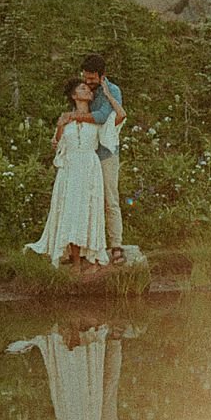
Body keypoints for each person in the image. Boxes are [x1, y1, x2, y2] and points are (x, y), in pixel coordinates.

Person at [26, 76, 108, 266]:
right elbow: (57, 145)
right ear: (73, 95)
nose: (88, 90)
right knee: (70, 211)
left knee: (88, 211)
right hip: (70, 169)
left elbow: (119, 117)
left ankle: (92, 258)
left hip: (89, 167)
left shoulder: (96, 118)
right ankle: (76, 261)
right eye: (82, 88)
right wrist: (61, 126)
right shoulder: (65, 118)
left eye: (88, 88)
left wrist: (110, 94)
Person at [79, 52, 126, 265]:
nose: (88, 81)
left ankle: (116, 245)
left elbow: (102, 117)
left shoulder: (112, 90)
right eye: (85, 77)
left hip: (106, 153)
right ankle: (88, 245)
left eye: (92, 78)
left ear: (102, 75)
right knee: (88, 199)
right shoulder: (85, 89)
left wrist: (75, 116)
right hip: (87, 153)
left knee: (110, 198)